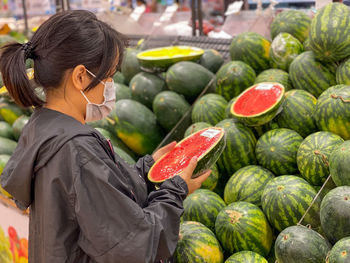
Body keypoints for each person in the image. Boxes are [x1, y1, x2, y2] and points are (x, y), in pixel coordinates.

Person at [0, 10, 211, 263]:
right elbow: (135, 247)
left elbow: (94, 199)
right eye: (108, 78)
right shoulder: (77, 149)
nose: (110, 88)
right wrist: (176, 190)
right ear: (80, 77)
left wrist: (148, 170)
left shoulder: (44, 126)